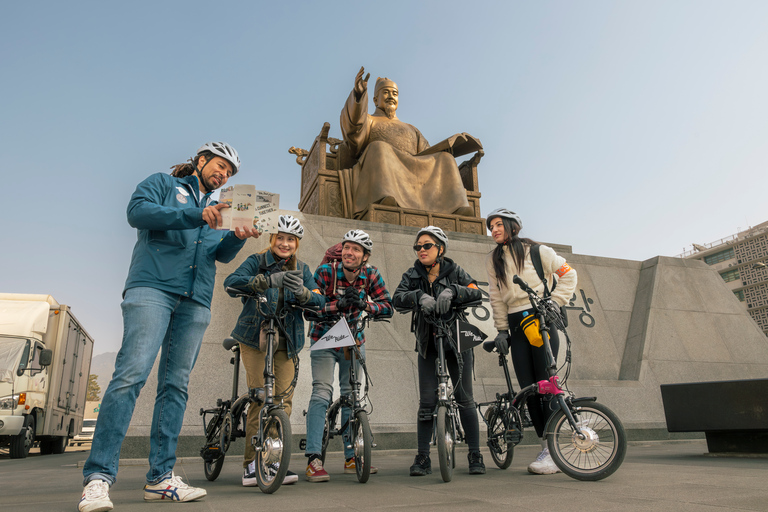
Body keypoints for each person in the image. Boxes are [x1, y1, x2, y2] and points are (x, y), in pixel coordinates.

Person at [79, 142, 260, 512]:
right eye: (220, 165)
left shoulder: (221, 210)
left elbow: (218, 254)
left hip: (195, 299)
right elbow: (137, 213)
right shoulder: (163, 183)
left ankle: (161, 478)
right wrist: (196, 215)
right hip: (153, 288)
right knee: (130, 376)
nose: (223, 174)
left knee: (176, 385)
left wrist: (235, 237)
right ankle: (97, 479)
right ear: (201, 160)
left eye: (229, 172)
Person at [223, 215, 325, 487]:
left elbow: (319, 299)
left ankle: (273, 459)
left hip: (287, 339)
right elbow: (232, 283)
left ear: (296, 243)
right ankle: (251, 464)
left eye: (290, 239)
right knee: (260, 397)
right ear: (272, 239)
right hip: (255, 337)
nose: (285, 243)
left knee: (282, 402)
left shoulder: (302, 268)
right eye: (280, 237)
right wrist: (263, 282)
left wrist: (305, 294)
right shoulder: (257, 261)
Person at [484, 208, 577, 475]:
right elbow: (496, 296)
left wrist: (555, 302)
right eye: (491, 227)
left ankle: (554, 449)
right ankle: (545, 445)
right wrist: (502, 331)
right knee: (528, 389)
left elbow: (569, 275)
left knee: (548, 385)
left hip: (540, 320)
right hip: (515, 325)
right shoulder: (494, 260)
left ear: (513, 226)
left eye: (499, 224)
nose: (495, 230)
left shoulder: (539, 252)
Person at [392, 226, 486, 476]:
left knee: (465, 399)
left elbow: (477, 293)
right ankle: (422, 457)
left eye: (427, 245)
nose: (421, 250)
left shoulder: (455, 270)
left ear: (440, 248)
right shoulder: (412, 274)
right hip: (428, 344)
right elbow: (396, 299)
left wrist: (453, 290)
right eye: (418, 246)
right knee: (426, 403)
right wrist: (418, 296)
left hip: (457, 341)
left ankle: (475, 454)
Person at [303, 229, 393, 482]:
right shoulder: (325, 273)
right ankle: (314, 459)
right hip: (325, 338)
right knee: (321, 392)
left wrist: (366, 305)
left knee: (352, 396)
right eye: (346, 247)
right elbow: (309, 308)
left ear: (365, 256)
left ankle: (352, 456)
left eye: (356, 249)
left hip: (353, 340)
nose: (349, 252)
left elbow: (388, 305)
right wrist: (335, 306)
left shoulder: (371, 274)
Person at [339, 66, 475, 216]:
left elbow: (426, 153)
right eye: (386, 92)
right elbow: (354, 129)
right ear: (375, 99)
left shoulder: (411, 128)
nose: (391, 96)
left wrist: (444, 150)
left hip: (414, 169)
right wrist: (358, 96)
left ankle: (456, 207)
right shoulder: (370, 120)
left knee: (446, 158)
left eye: (394, 93)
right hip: (384, 165)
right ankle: (384, 197)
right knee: (379, 147)